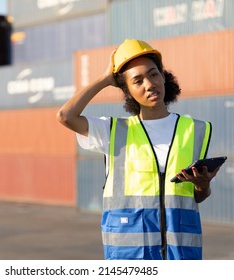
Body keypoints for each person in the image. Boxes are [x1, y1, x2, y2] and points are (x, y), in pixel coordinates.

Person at [56, 39, 221, 260]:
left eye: (153, 74)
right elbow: (65, 116)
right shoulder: (113, 131)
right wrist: (105, 79)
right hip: (130, 257)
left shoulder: (194, 129)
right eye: (137, 81)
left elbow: (196, 197)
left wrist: (203, 186)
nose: (149, 84)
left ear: (163, 76)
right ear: (127, 90)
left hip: (181, 255)